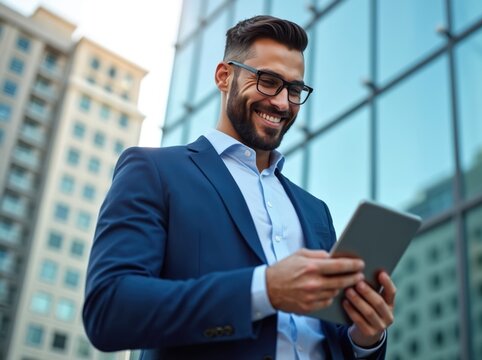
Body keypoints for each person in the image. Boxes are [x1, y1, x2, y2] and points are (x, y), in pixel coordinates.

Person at [83, 15, 395, 360]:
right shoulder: (155, 172)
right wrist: (265, 290)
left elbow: (332, 341)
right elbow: (109, 309)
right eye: (268, 81)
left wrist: (364, 338)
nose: (281, 103)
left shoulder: (314, 210)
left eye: (294, 89)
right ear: (224, 76)